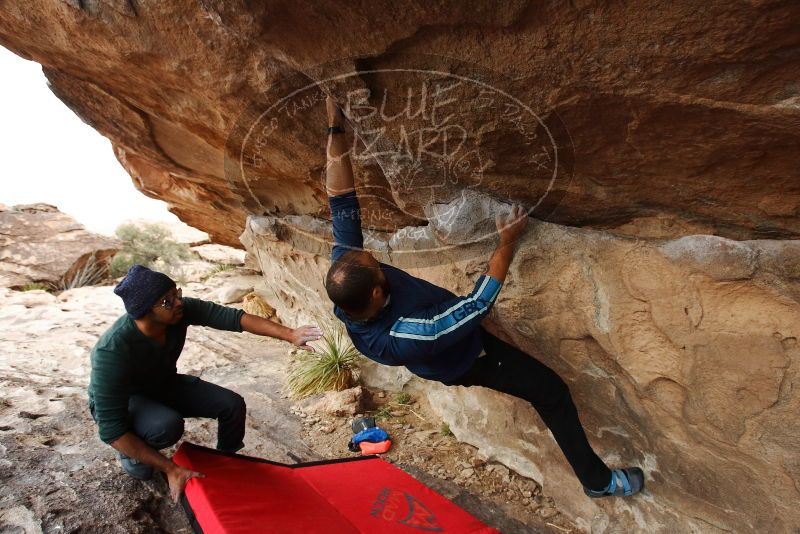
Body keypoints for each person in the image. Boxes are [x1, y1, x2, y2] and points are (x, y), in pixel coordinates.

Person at [322, 96, 644, 498]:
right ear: (374, 290)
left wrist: (335, 127)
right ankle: (598, 483)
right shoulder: (404, 335)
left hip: (447, 336)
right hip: (469, 359)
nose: (376, 257)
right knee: (551, 392)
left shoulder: (346, 273)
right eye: (377, 264)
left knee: (524, 373)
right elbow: (475, 305)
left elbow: (341, 198)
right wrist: (507, 242)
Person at [88, 264, 321, 501]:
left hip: (162, 384)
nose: (178, 302)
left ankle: (227, 460)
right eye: (167, 301)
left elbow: (234, 318)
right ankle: (132, 454)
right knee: (166, 426)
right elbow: (112, 429)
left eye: (176, 293)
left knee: (232, 405)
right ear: (145, 312)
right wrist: (172, 469)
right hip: (130, 400)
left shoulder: (179, 311)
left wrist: (289, 334)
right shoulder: (112, 352)